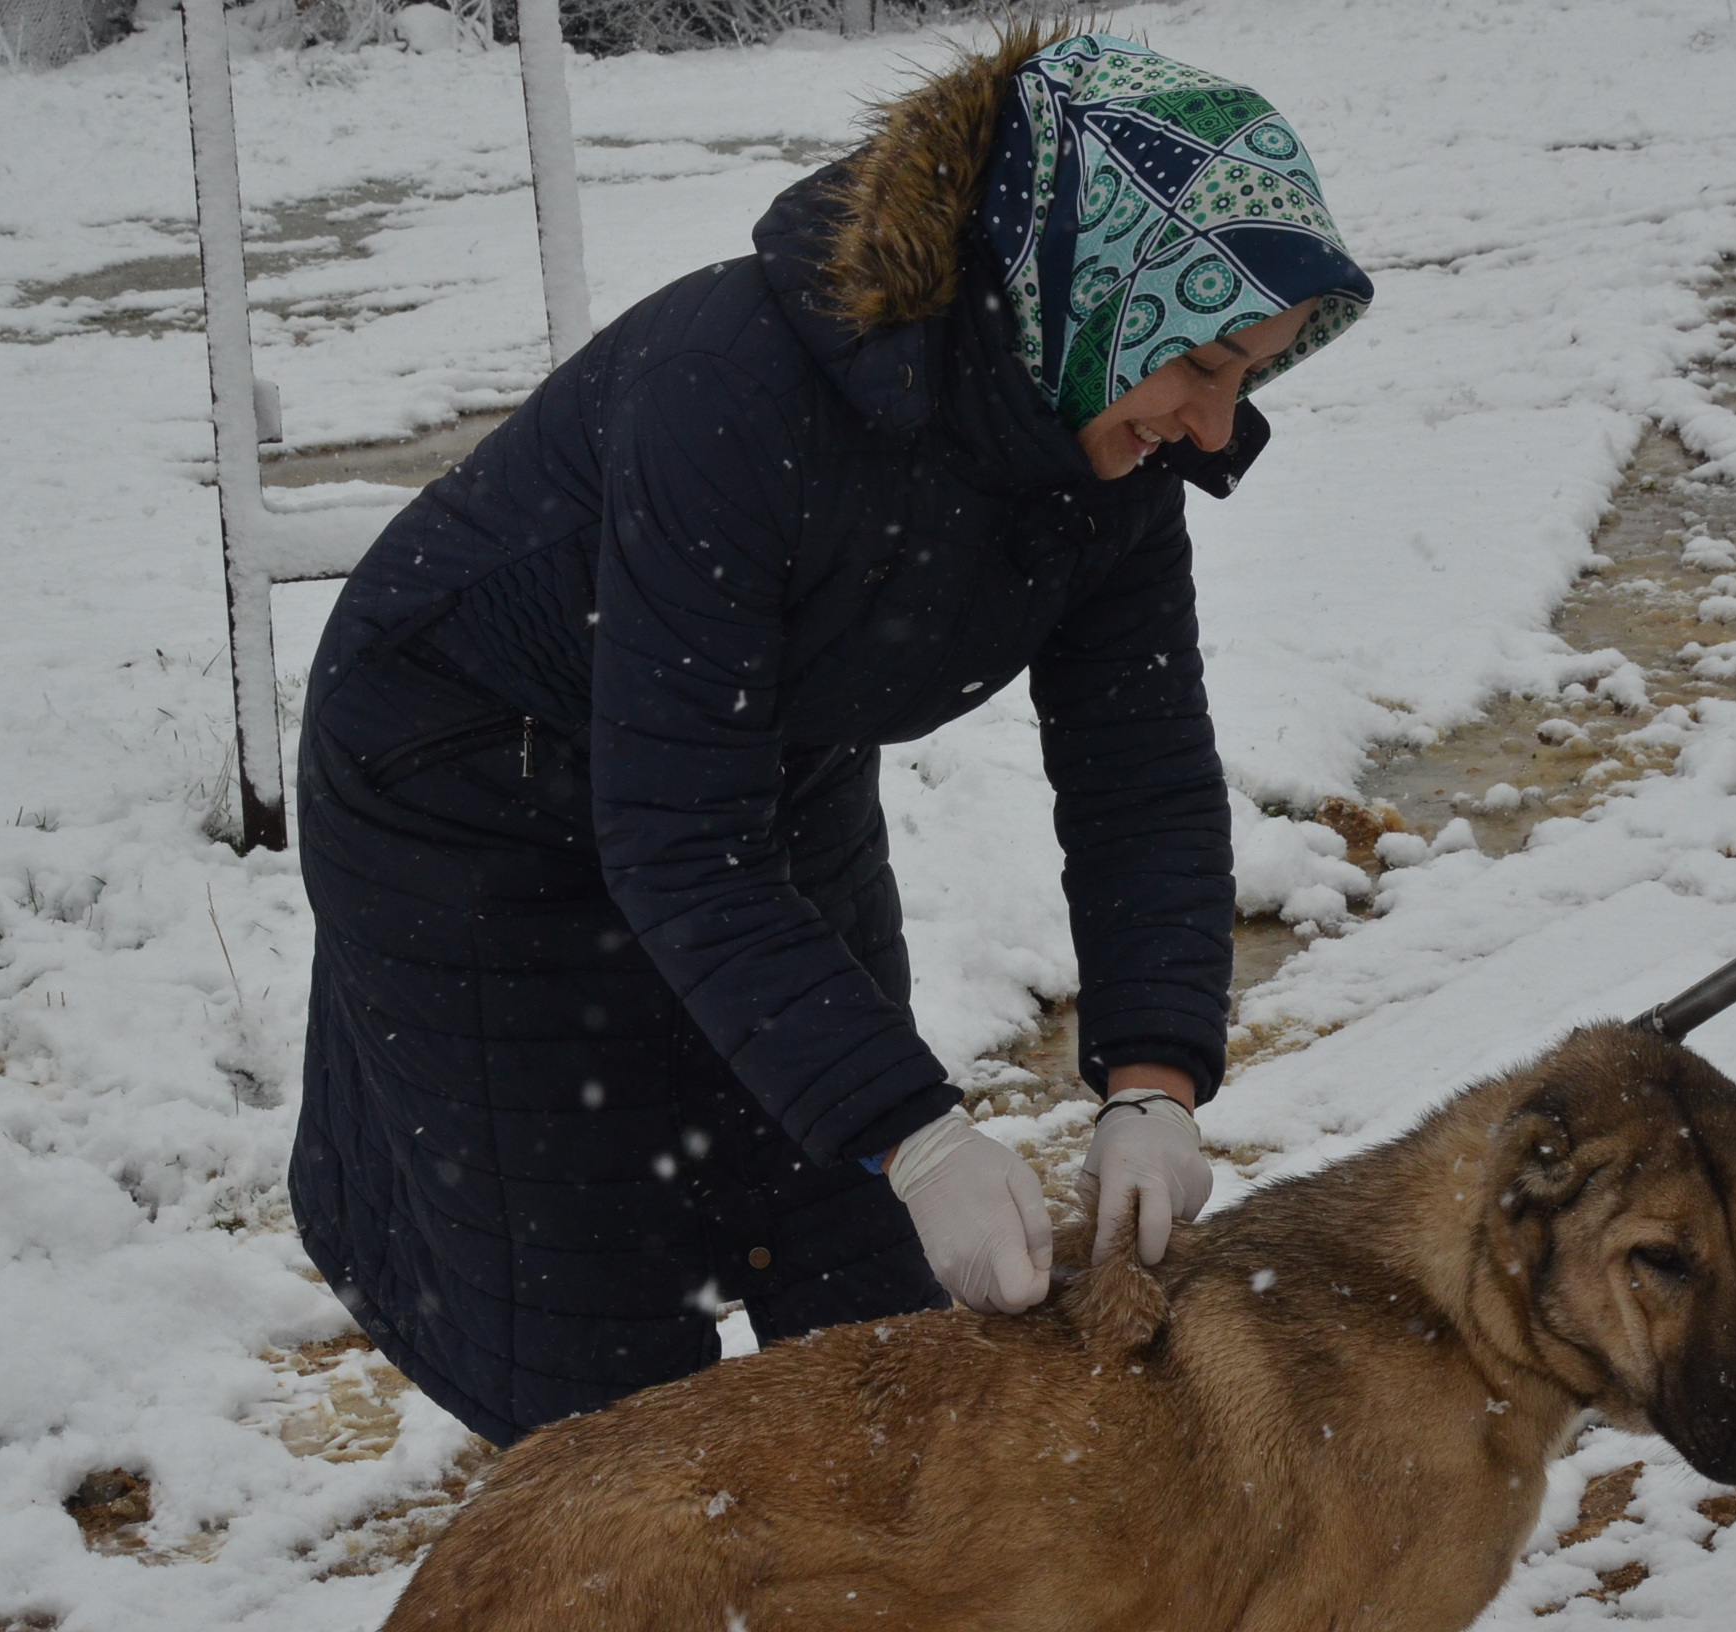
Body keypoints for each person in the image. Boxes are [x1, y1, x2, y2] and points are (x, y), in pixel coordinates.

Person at [288, 23, 1372, 1448]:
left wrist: (1152, 1077)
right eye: (1209, 366)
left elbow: (1143, 775)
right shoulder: (732, 394)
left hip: (754, 755)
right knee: (603, 1341)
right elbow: (682, 844)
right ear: (1096, 287)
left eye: (1251, 379)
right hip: (464, 787)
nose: (1218, 428)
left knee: (857, 1260)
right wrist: (920, 1134)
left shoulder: (1102, 445)